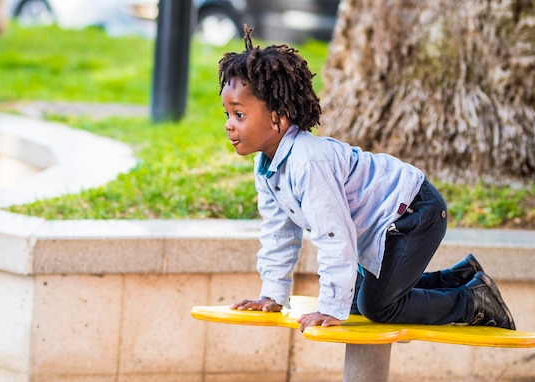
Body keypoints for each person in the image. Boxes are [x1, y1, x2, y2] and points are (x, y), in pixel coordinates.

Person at [221, 26, 516, 332]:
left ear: (278, 117)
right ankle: (459, 277)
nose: (229, 126)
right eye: (227, 114)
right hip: (388, 221)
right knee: (354, 300)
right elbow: (278, 232)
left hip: (414, 211)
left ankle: (474, 301)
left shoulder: (308, 162)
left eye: (239, 115)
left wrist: (329, 308)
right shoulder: (267, 167)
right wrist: (272, 294)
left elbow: (335, 235)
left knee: (379, 307)